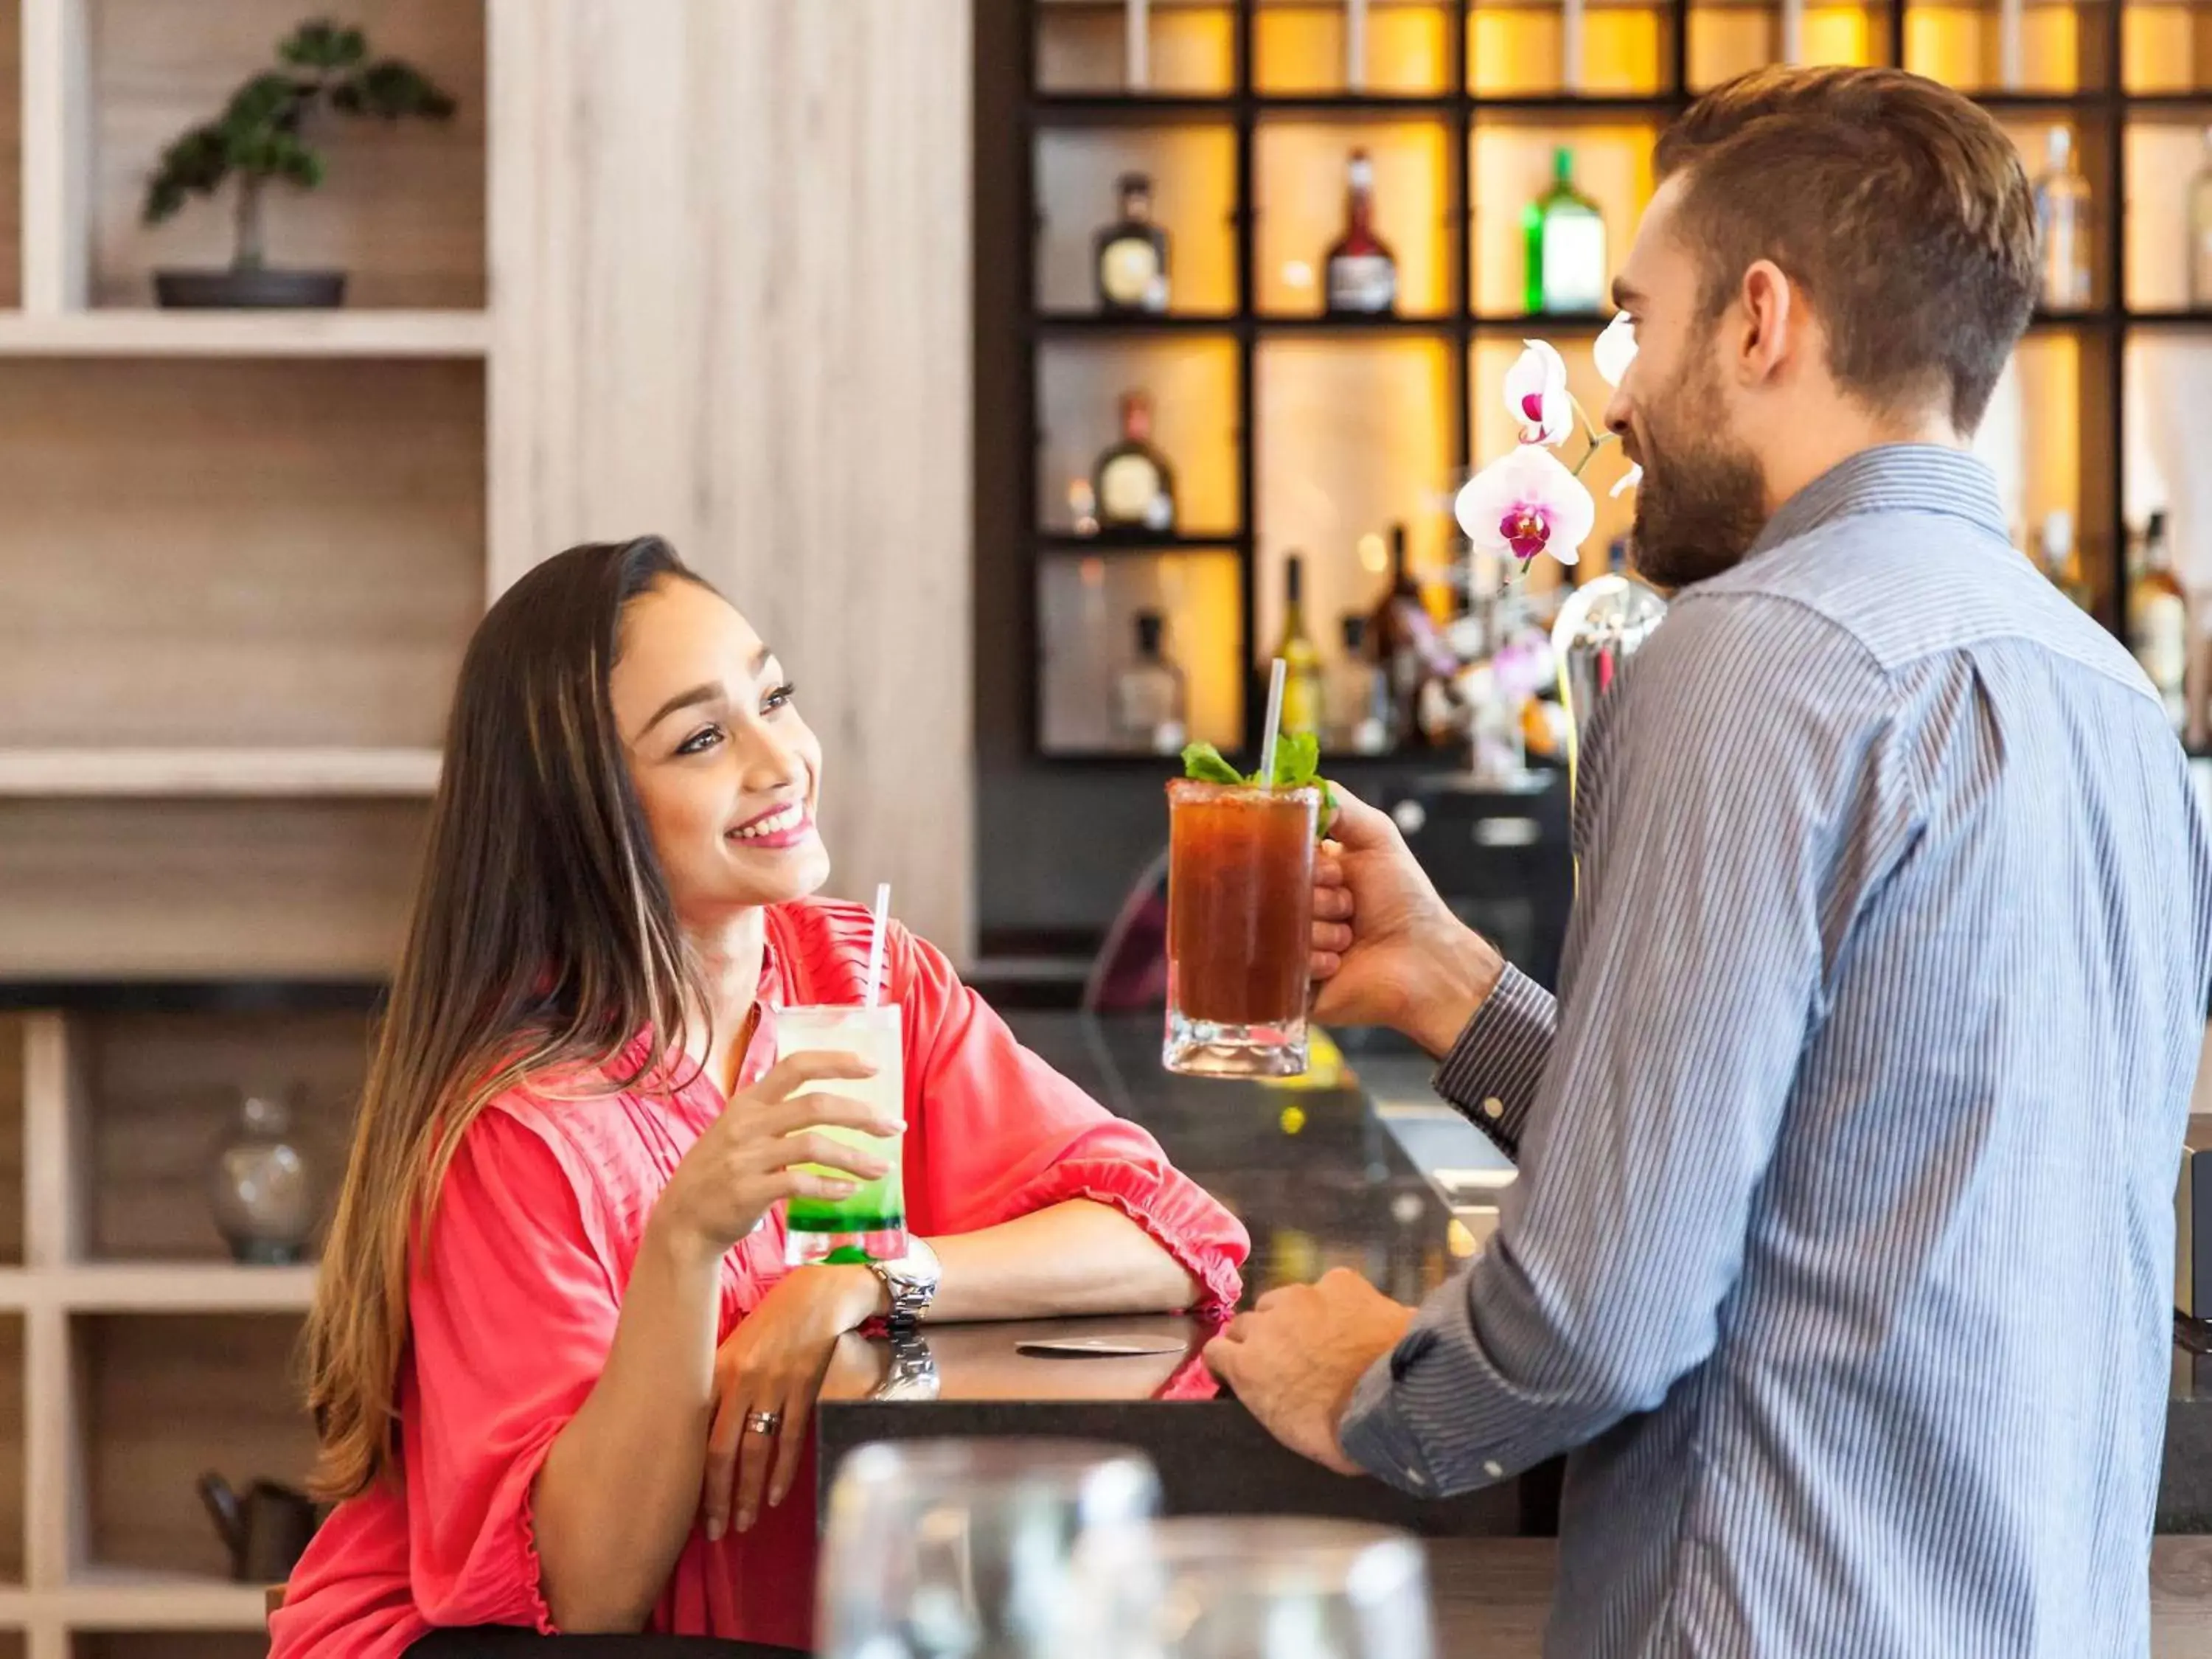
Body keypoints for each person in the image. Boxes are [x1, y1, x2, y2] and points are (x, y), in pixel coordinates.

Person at [1206, 64, 2212, 1657]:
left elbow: (1603, 1313)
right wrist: (1458, 989)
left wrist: (1376, 1398)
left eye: (1637, 321)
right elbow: (1838, 1173)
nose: (1614, 394)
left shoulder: (1746, 660)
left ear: (1759, 322)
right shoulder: (2112, 703)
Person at [269, 537, 1248, 1658]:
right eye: (701, 738)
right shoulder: (524, 1122)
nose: (779, 757)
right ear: (587, 813)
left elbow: (1173, 1237)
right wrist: (686, 1239)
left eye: (774, 696)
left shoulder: (867, 980)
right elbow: (588, 1595)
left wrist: (867, 1281)